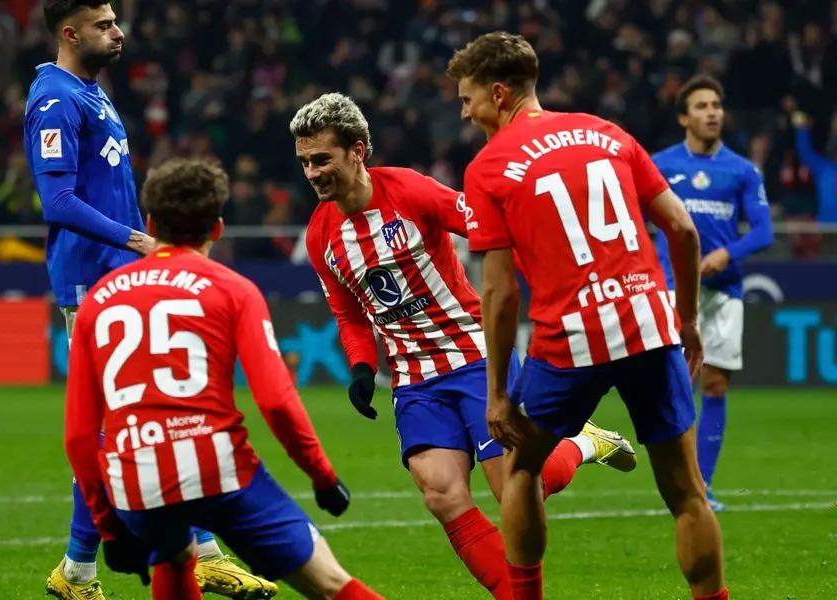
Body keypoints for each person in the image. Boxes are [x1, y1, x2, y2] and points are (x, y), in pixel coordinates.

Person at [291, 92, 637, 600]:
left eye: (322, 159)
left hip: (475, 357)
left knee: (518, 490)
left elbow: (484, 225)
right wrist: (363, 366)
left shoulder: (409, 191)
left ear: (357, 151)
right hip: (414, 378)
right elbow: (348, 313)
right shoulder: (321, 235)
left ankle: (585, 442)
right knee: (441, 493)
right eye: (304, 162)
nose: (312, 172)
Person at [452, 32, 726, 599]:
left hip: (569, 340)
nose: (464, 111)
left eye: (468, 98)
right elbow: (683, 230)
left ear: (499, 94)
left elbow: (500, 294)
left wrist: (498, 391)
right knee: (687, 493)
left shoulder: (487, 168)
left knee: (521, 469)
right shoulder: (608, 134)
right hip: (650, 327)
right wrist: (688, 319)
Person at [23, 3, 270, 598]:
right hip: (92, 284)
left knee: (148, 421)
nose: (119, 32)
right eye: (104, 24)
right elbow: (56, 202)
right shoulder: (56, 98)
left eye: (115, 21)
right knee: (131, 427)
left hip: (122, 279)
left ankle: (93, 569)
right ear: (70, 31)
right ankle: (129, 563)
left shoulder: (91, 92)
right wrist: (138, 239)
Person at [65, 158, 383, 600]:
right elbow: (275, 400)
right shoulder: (233, 289)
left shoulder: (98, 301)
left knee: (172, 551)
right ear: (217, 228)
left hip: (138, 483)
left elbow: (81, 436)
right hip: (219, 472)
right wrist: (322, 476)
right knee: (329, 582)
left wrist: (109, 529)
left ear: (151, 223)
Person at [650, 75, 772, 511]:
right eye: (701, 106)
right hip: (673, 289)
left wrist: (726, 253)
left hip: (723, 291)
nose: (712, 112)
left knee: (716, 383)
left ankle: (703, 485)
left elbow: (763, 230)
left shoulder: (742, 170)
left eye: (716, 105)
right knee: (677, 385)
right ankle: (678, 479)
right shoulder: (659, 164)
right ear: (684, 117)